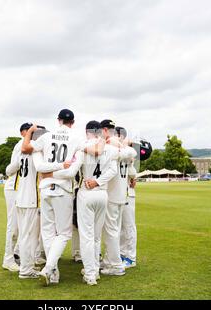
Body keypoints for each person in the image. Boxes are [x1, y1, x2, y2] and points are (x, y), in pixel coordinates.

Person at [41, 120, 118, 285]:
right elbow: (113, 170)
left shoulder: (83, 147)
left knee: (87, 237)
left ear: (87, 131)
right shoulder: (110, 148)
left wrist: (50, 175)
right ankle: (95, 270)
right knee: (96, 237)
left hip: (86, 193)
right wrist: (99, 181)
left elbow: (71, 171)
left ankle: (90, 274)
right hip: (102, 194)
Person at [21, 109, 81, 286]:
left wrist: (31, 132)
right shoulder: (76, 137)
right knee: (63, 233)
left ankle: (53, 275)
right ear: (73, 122)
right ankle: (48, 268)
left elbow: (26, 148)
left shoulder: (46, 137)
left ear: (58, 120)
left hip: (45, 189)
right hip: (62, 189)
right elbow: (72, 169)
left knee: (48, 232)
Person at [99, 121, 137, 276]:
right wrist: (123, 146)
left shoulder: (111, 148)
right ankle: (110, 260)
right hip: (120, 194)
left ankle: (115, 264)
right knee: (114, 230)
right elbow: (132, 159)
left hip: (113, 195)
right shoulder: (125, 150)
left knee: (112, 231)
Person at [2, 125, 27, 273]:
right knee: (13, 226)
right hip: (13, 188)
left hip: (21, 189)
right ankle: (8, 259)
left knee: (22, 226)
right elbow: (10, 169)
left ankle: (16, 254)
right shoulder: (21, 144)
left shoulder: (26, 143)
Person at [115, 127, 138, 269]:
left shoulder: (128, 151)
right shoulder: (119, 150)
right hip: (119, 192)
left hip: (128, 192)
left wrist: (133, 177)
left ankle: (131, 258)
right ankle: (122, 254)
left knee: (128, 226)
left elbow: (132, 172)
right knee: (120, 227)